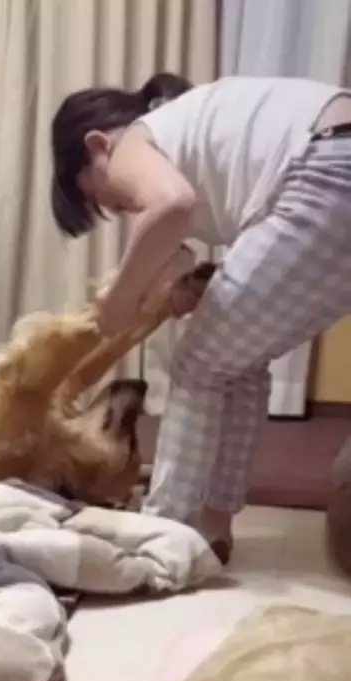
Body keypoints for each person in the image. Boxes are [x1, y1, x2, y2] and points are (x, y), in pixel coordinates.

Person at [50, 73, 351, 562]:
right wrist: (164, 291)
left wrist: (117, 303)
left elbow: (170, 204)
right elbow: (173, 248)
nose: (125, 208)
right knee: (239, 363)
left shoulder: (136, 142)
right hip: (333, 167)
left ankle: (161, 533)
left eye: (113, 199)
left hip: (328, 170)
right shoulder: (183, 134)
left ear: (99, 145)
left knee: (196, 365)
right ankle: (215, 526)